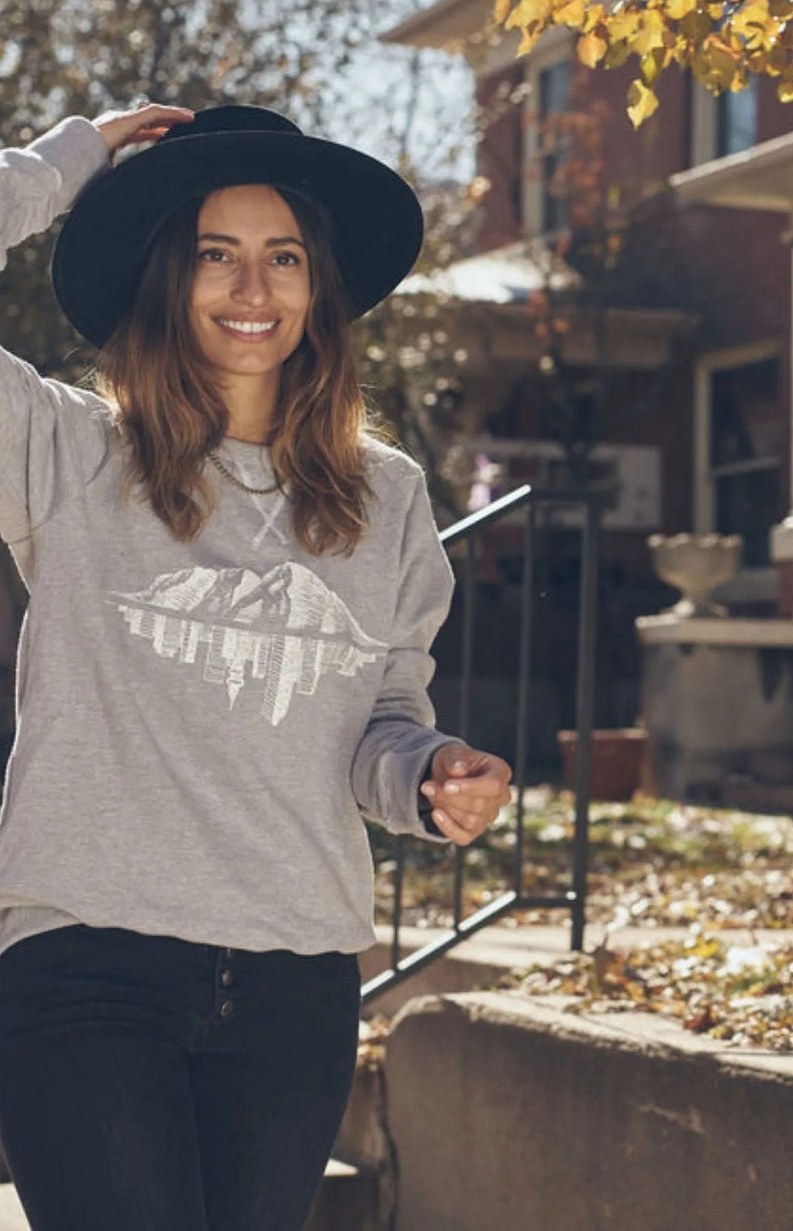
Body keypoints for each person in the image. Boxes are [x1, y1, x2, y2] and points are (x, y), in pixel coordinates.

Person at [0, 101, 512, 1231]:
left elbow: (379, 714)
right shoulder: (65, 453)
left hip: (295, 980)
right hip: (90, 963)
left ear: (317, 286)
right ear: (163, 278)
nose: (251, 288)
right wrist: (65, 161)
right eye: (213, 255)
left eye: (281, 257)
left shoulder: (388, 499)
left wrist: (429, 773)